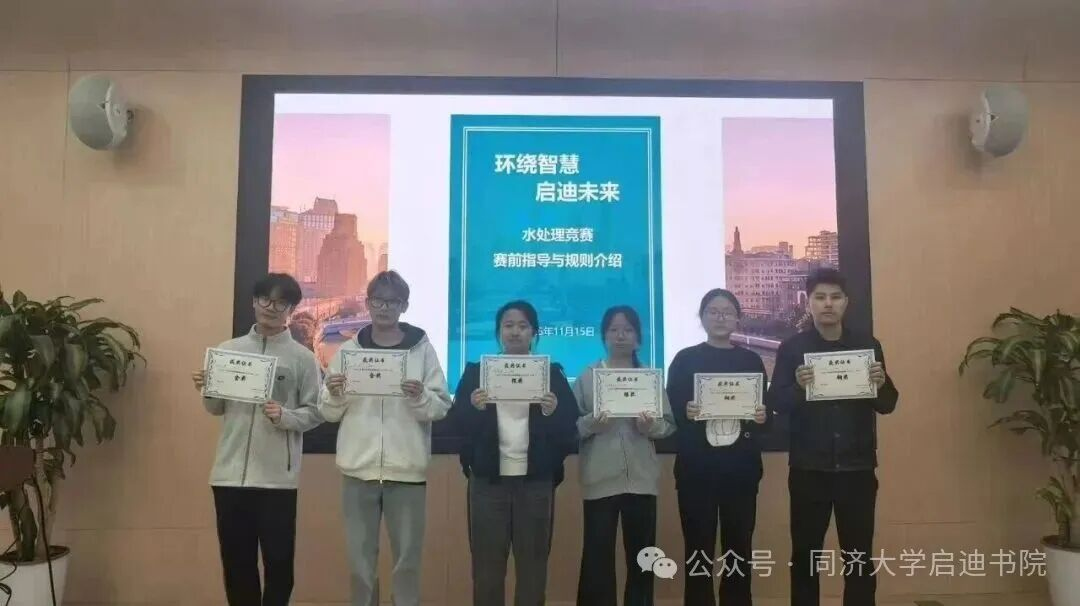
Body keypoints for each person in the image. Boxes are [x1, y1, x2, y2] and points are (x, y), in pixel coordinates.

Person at [319, 270, 452, 606]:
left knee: (407, 561)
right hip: (357, 471)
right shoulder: (348, 351)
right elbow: (328, 412)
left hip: (407, 472)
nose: (384, 308)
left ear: (404, 306)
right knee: (359, 563)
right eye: (378, 300)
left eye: (393, 302)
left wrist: (420, 396)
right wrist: (334, 393)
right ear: (367, 303)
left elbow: (440, 406)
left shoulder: (422, 351)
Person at [768, 268, 898, 606]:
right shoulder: (793, 349)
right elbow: (777, 403)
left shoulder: (867, 346)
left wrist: (881, 383)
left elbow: (887, 404)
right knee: (806, 557)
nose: (828, 304)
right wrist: (799, 387)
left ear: (846, 302)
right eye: (820, 297)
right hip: (809, 471)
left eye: (835, 297)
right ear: (808, 303)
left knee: (859, 557)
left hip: (857, 469)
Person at [191, 272, 323, 606]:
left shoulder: (303, 358)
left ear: (291, 310)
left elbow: (316, 412)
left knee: (279, 565)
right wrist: (208, 388)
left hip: (277, 481)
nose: (271, 307)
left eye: (281, 303)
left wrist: (284, 416)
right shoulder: (228, 351)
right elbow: (215, 408)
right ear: (254, 301)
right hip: (228, 477)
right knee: (237, 565)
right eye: (265, 299)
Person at [449, 300, 578, 606]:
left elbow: (568, 429)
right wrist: (475, 408)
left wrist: (552, 412)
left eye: (523, 326)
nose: (515, 332)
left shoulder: (551, 374)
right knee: (487, 569)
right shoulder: (477, 373)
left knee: (533, 568)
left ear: (534, 332)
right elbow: (458, 423)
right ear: (498, 332)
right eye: (508, 325)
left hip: (535, 484)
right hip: (488, 483)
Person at [666, 289, 771, 606]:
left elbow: (762, 414)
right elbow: (671, 410)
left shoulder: (750, 360)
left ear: (738, 318)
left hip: (741, 471)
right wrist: (685, 411)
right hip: (696, 471)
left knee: (739, 548)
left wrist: (761, 416)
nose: (720, 317)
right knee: (698, 550)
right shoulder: (685, 359)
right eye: (713, 311)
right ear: (702, 317)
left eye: (727, 311)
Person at [574, 305, 675, 606]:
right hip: (600, 479)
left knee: (643, 558)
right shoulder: (588, 376)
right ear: (604, 336)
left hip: (642, 481)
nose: (621, 336)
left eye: (628, 330)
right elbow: (570, 427)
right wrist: (592, 423)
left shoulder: (649, 378)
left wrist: (649, 426)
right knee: (597, 559)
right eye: (614, 330)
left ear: (638, 337)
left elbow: (668, 425)